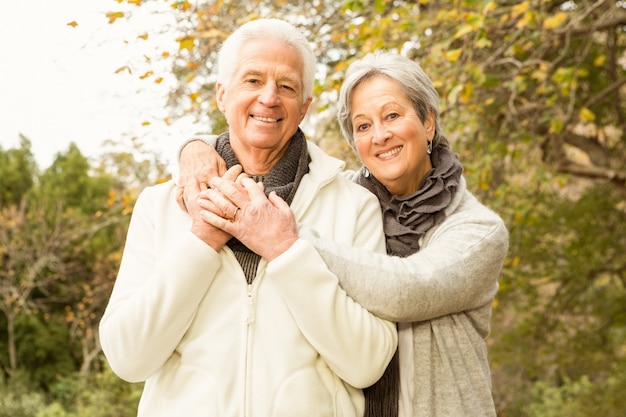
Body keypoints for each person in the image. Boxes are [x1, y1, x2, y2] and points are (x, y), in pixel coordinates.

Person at [177, 51, 509, 417]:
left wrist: (287, 239)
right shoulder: (344, 201)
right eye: (363, 126)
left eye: (393, 116)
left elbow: (407, 290)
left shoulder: (478, 230)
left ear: (428, 123)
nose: (380, 135)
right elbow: (263, 143)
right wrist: (195, 148)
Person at [99, 19, 397, 417]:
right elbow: (127, 358)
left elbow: (367, 363)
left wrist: (285, 251)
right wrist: (201, 240)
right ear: (222, 95)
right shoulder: (160, 204)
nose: (269, 98)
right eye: (252, 80)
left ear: (305, 106)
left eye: (287, 86)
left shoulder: (353, 205)